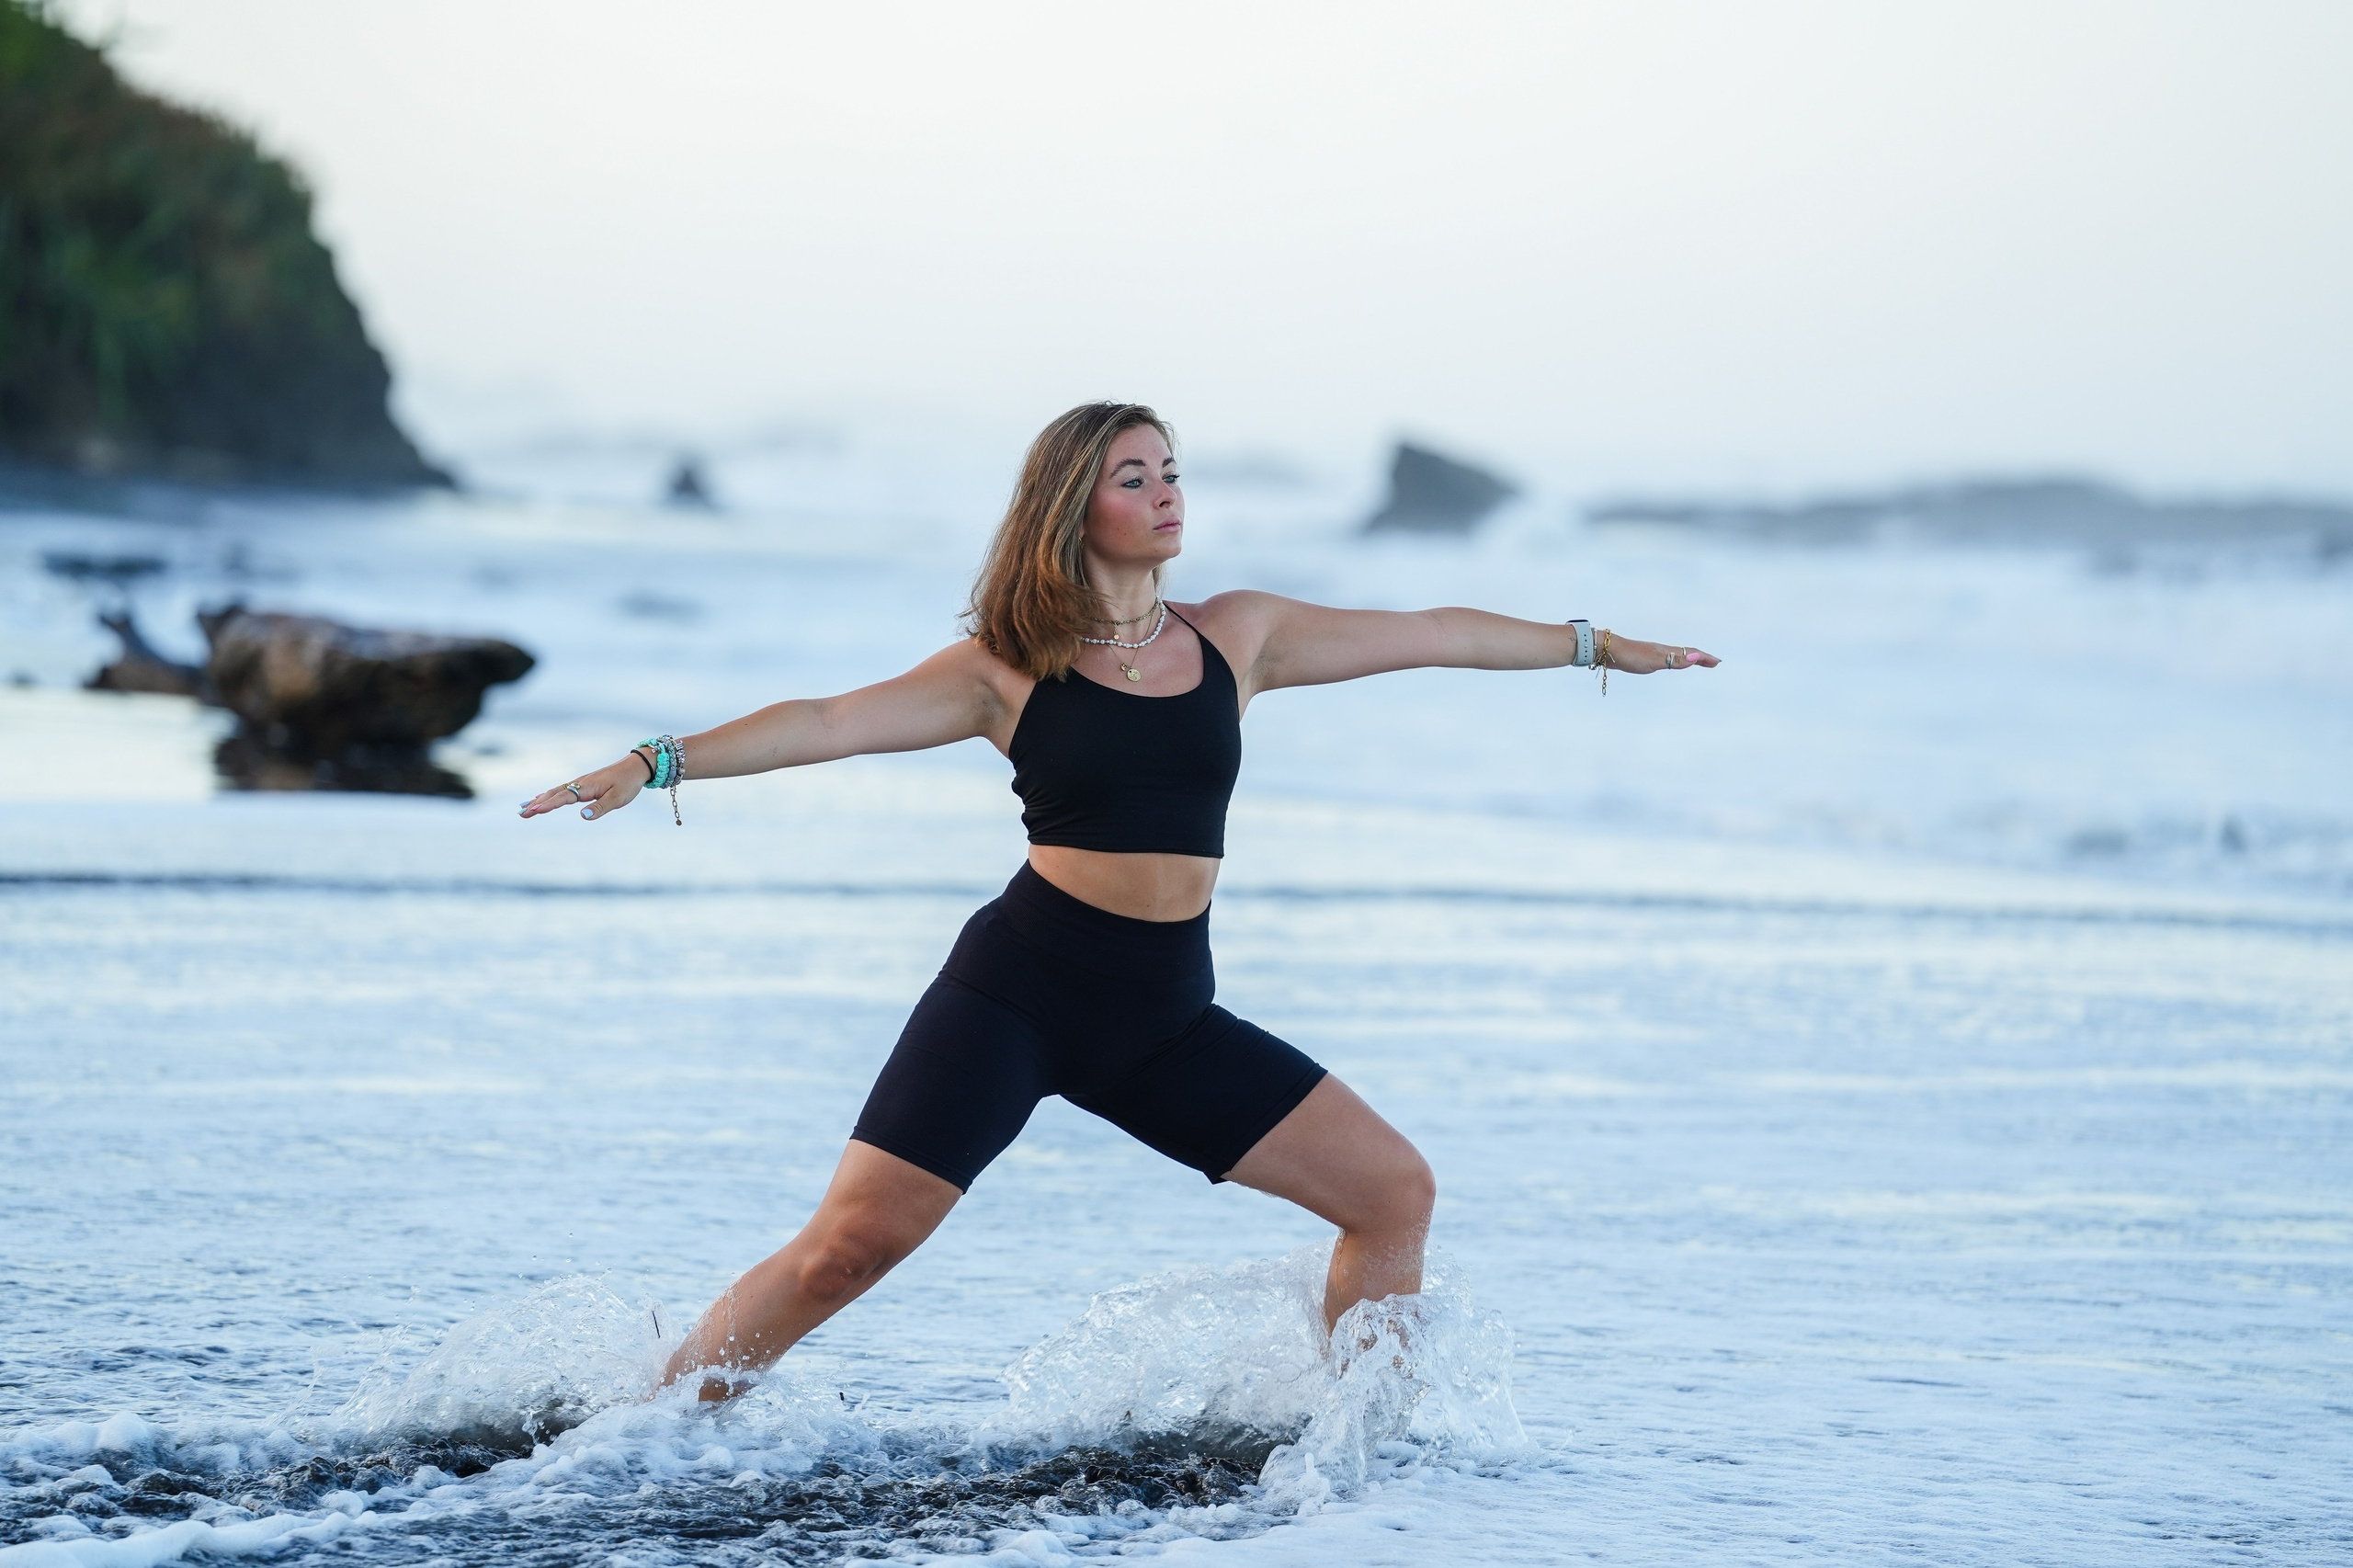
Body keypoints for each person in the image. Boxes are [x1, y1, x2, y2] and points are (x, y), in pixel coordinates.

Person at [521, 402, 1717, 1398]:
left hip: (1164, 1018)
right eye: (1134, 477)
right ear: (1073, 507)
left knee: (1393, 1191)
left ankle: (1362, 1445)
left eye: (1173, 472)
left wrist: (1593, 643)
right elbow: (828, 720)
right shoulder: (1005, 666)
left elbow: (1436, 631)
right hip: (1020, 991)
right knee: (849, 1248)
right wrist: (656, 760)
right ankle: (655, 1419)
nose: (1168, 494)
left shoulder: (1242, 636)